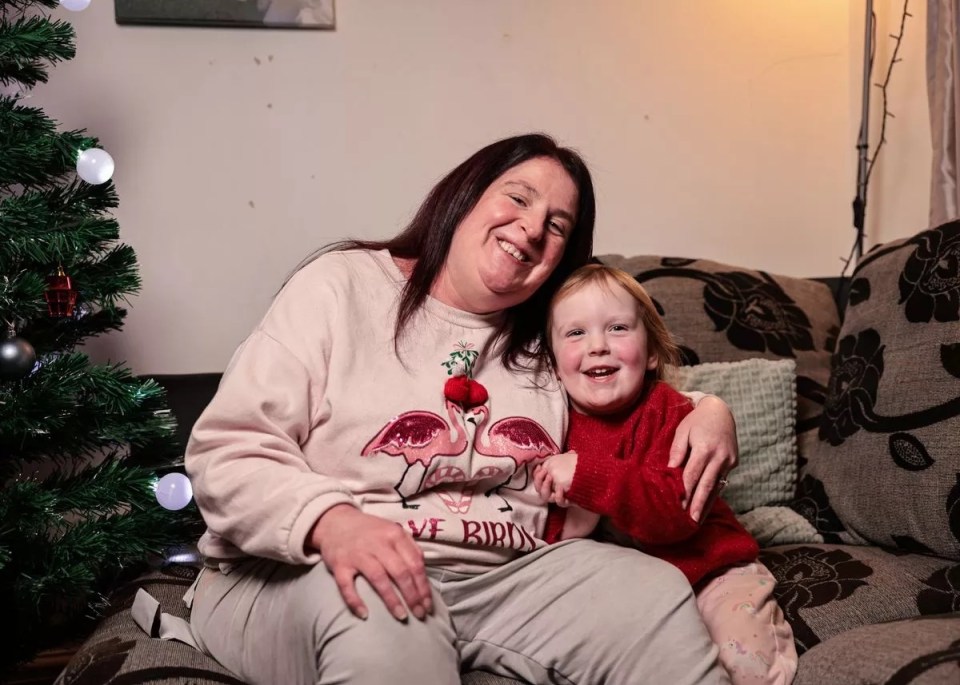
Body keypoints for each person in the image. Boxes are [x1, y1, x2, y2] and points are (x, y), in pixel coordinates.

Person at [183, 133, 740, 684]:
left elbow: (623, 395)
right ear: (465, 195)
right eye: (518, 198)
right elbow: (227, 450)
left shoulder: (544, 333)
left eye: (557, 225)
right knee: (388, 610)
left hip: (502, 579)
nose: (531, 228)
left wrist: (706, 408)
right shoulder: (341, 286)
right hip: (306, 568)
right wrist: (333, 522)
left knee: (651, 592)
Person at [533, 264, 798, 685]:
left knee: (745, 659)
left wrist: (586, 475)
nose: (598, 345)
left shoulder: (668, 411)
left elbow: (674, 512)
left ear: (652, 352)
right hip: (635, 586)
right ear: (550, 360)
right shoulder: (549, 421)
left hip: (708, 570)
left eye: (618, 328)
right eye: (576, 333)